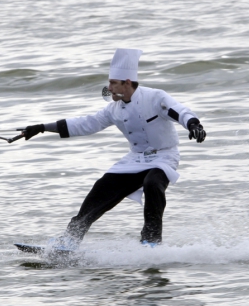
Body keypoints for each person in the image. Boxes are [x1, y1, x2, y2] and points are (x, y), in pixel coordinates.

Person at [22, 48, 206, 249]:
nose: (108, 87)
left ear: (127, 83)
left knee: (153, 183)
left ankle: (151, 241)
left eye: (113, 83)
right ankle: (69, 240)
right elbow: (85, 124)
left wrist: (193, 125)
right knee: (101, 188)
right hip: (134, 160)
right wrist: (41, 128)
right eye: (109, 83)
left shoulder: (154, 97)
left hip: (164, 156)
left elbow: (179, 111)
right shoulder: (114, 109)